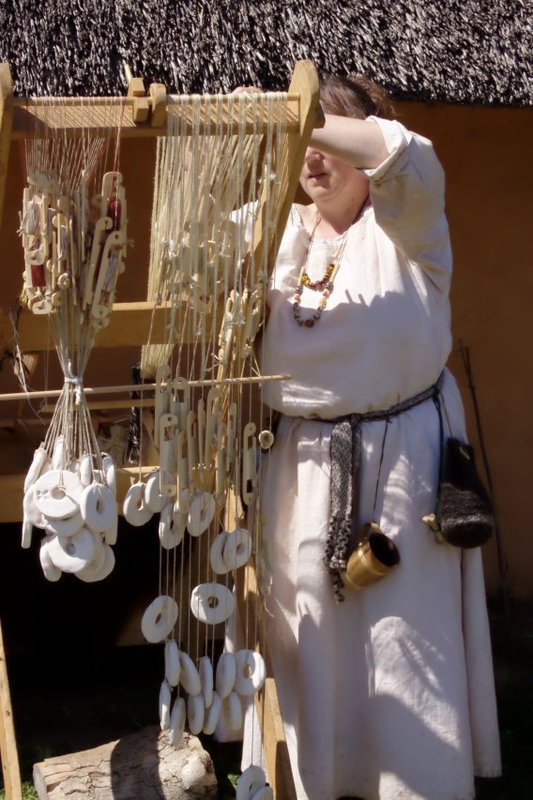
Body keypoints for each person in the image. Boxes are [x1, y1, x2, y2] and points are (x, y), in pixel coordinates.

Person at [239, 75, 502, 800]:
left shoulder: (407, 225)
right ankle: (316, 781)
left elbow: (403, 152)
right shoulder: (276, 232)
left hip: (401, 465)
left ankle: (414, 785)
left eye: (328, 140)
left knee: (400, 638)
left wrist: (300, 117)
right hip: (301, 466)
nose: (312, 159)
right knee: (309, 629)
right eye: (302, 146)